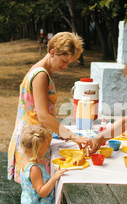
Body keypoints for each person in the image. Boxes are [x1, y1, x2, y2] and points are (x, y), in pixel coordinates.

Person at [8, 32, 90, 183]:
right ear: (52, 52)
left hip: (33, 137)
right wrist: (73, 136)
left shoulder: (41, 70)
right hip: (33, 142)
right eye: (64, 61)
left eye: (69, 63)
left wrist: (61, 132)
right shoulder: (41, 75)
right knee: (36, 195)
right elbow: (43, 117)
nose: (65, 66)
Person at [19, 125, 68, 204]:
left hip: (32, 202)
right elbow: (42, 192)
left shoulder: (26, 160)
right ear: (38, 149)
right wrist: (55, 177)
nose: (47, 149)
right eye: (46, 147)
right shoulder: (34, 168)